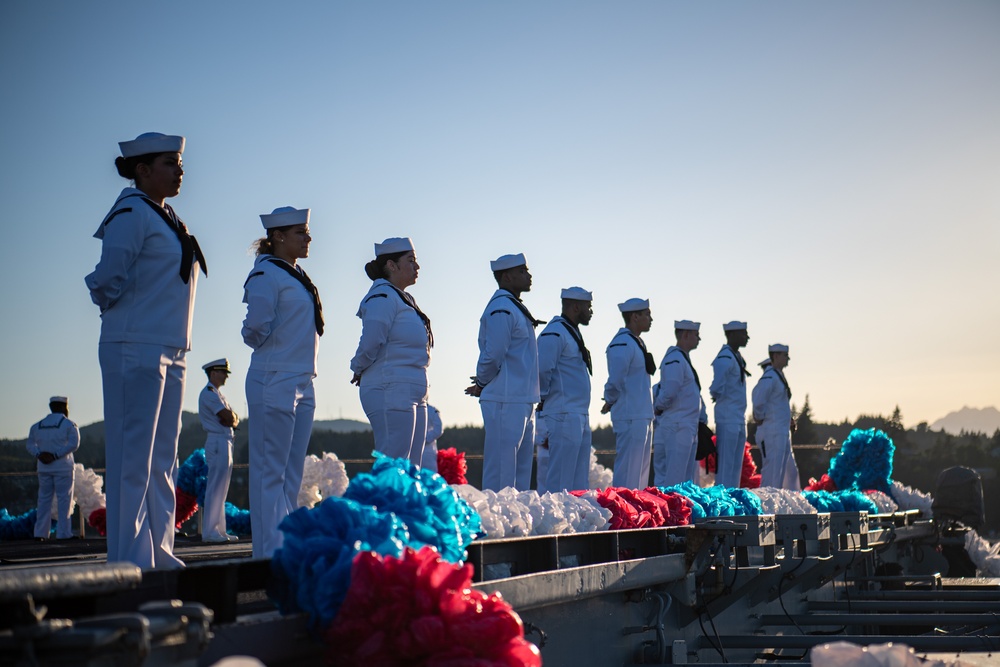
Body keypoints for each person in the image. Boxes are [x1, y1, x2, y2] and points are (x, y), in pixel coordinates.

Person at [86, 132, 206, 569]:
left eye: (180, 163)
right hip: (135, 344)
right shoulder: (131, 212)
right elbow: (106, 279)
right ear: (142, 170)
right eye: (170, 162)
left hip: (171, 346)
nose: (180, 170)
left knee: (161, 459)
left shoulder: (167, 216)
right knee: (131, 458)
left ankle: (158, 548)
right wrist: (126, 319)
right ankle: (128, 557)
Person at [242, 206, 322, 559]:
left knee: (291, 472)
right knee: (269, 471)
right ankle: (266, 551)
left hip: (302, 378)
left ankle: (283, 545)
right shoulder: (266, 274)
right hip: (274, 376)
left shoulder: (296, 275)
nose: (308, 238)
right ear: (278, 237)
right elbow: (254, 328)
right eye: (300, 232)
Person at [350, 238, 432, 465]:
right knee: (394, 463)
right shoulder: (382, 296)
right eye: (411, 260)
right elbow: (371, 340)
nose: (417, 266)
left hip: (412, 387)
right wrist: (358, 367)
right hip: (391, 386)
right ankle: (386, 502)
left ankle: (407, 502)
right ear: (391, 265)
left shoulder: (402, 298)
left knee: (412, 466)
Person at [465, 253, 541, 491]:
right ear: (506, 276)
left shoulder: (513, 307)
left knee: (519, 476)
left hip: (520, 399)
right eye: (522, 271)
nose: (529, 275)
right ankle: (497, 525)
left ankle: (515, 524)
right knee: (501, 474)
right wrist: (481, 381)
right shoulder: (502, 308)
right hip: (505, 398)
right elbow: (494, 352)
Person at [536, 287, 594, 492]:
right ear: (576, 307)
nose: (591, 311)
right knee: (561, 480)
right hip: (563, 412)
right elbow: (542, 369)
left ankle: (578, 522)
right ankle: (555, 522)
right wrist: (542, 398)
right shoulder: (555, 332)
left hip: (577, 413)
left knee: (579, 482)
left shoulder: (570, 331)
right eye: (588, 306)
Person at [601, 298, 655, 490]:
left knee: (639, 476)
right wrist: (609, 399)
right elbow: (616, 378)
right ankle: (623, 513)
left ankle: (636, 515)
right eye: (647, 314)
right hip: (631, 415)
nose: (651, 319)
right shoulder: (622, 343)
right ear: (634, 316)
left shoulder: (635, 342)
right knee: (628, 474)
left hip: (641, 415)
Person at [652, 320, 708, 486]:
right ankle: (671, 511)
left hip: (684, 425)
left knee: (683, 480)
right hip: (677, 425)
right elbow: (670, 391)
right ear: (685, 335)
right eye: (696, 335)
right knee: (674, 480)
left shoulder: (681, 359)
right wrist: (658, 408)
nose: (699, 339)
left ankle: (678, 510)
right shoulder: (675, 359)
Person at [26, 397, 80, 540]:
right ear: (64, 408)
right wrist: (55, 455)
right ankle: (64, 534)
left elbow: (30, 445)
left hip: (44, 468)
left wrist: (40, 454)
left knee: (43, 500)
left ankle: (40, 533)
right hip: (63, 468)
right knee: (64, 501)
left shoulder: (37, 426)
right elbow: (74, 444)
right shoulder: (69, 425)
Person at [198, 358, 239, 543]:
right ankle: (210, 532)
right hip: (217, 442)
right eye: (223, 373)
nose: (226, 377)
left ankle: (219, 530)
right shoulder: (209, 394)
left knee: (222, 489)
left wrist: (232, 418)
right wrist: (231, 418)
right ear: (213, 373)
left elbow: (232, 418)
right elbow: (227, 417)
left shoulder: (217, 394)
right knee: (215, 487)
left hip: (225, 442)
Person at [752, 344, 800, 490]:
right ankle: (767, 505)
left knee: (778, 474)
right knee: (771, 472)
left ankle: (775, 503)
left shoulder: (778, 376)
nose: (788, 359)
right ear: (776, 356)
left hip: (780, 431)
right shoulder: (770, 377)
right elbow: (759, 400)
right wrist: (760, 417)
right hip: (772, 431)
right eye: (785, 355)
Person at [709, 321, 751, 488]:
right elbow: (716, 387)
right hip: (728, 417)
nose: (747, 337)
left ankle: (732, 498)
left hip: (738, 417)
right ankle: (723, 498)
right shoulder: (725, 357)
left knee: (735, 467)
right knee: (726, 465)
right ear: (732, 335)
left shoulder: (735, 357)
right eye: (743, 334)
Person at [421, 405, 443, 472]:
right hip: (412, 449)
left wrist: (424, 439)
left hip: (427, 450)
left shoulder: (432, 410)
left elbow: (438, 430)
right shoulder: (432, 410)